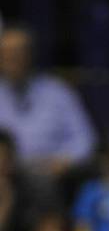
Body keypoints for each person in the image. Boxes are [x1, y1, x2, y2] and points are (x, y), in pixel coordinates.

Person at [0, 26, 96, 181]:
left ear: (31, 55)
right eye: (8, 54)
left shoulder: (58, 92)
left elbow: (85, 139)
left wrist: (64, 161)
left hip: (49, 175)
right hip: (5, 176)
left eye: (19, 53)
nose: (13, 59)